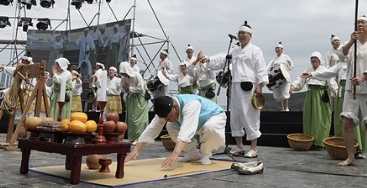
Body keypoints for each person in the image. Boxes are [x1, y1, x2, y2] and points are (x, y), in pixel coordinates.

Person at [200, 21, 267, 158]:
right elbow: (221, 59)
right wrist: (208, 59)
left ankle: (253, 148)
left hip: (249, 86)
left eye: (244, 33)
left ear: (250, 35)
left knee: (250, 116)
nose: (241, 35)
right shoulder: (234, 50)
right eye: (239, 33)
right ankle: (240, 147)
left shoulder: (255, 50)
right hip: (235, 85)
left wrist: (260, 86)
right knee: (235, 116)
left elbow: (261, 68)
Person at [126, 94, 227, 167]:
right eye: (163, 117)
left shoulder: (190, 104)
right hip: (196, 124)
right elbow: (152, 127)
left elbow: (186, 131)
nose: (165, 119)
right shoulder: (166, 107)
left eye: (167, 116)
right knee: (170, 125)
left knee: (210, 127)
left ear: (175, 107)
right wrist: (136, 149)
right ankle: (192, 153)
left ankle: (205, 154)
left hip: (213, 117)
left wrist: (175, 154)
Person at [338, 16, 367, 168]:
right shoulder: (352, 43)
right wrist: (351, 41)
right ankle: (350, 156)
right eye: (357, 22)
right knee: (347, 122)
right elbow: (341, 55)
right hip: (351, 90)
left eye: (363, 22)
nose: (360, 24)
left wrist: (363, 77)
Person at [290, 52, 337, 148]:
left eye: (315, 58)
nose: (313, 60)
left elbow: (331, 81)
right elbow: (300, 80)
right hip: (310, 95)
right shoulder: (308, 70)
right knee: (309, 118)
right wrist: (293, 86)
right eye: (311, 58)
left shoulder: (325, 70)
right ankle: (309, 141)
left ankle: (320, 142)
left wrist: (335, 89)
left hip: (321, 96)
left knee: (321, 119)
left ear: (319, 60)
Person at [119, 61, 148, 142]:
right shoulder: (123, 78)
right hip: (131, 99)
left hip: (140, 99)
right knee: (131, 118)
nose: (124, 75)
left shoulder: (137, 75)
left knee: (139, 119)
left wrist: (129, 88)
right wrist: (126, 89)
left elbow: (141, 88)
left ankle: (140, 138)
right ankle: (132, 137)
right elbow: (122, 86)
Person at [267, 42, 293, 111]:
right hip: (276, 79)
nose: (277, 49)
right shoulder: (274, 59)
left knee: (285, 93)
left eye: (279, 48)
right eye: (276, 48)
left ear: (282, 49)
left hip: (284, 78)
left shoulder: (286, 57)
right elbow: (269, 68)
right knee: (277, 94)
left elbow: (291, 67)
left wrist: (289, 64)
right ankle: (281, 108)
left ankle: (286, 108)